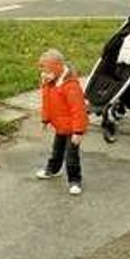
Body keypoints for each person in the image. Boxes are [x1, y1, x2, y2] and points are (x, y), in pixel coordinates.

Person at [34, 49, 88, 195]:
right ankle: (52, 169)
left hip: (73, 128)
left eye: (46, 71)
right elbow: (46, 103)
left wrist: (78, 132)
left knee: (71, 155)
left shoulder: (71, 86)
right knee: (57, 150)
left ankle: (75, 180)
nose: (43, 75)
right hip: (60, 127)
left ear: (57, 68)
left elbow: (79, 111)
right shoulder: (48, 83)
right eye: (42, 71)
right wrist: (45, 120)